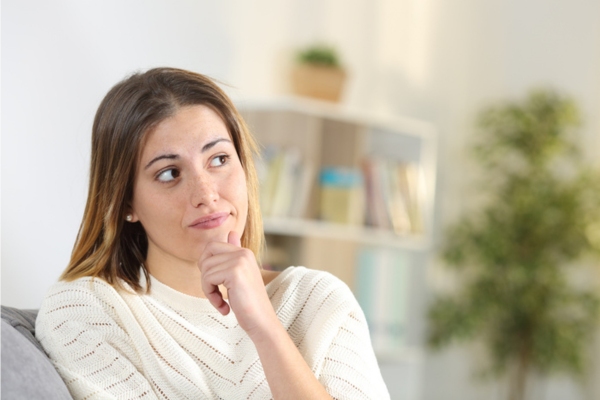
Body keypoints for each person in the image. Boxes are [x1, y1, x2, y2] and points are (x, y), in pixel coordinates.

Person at [35, 67, 390, 399]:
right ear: (125, 201)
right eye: (169, 173)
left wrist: (265, 327)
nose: (206, 194)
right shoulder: (84, 311)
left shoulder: (319, 302)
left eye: (219, 159)